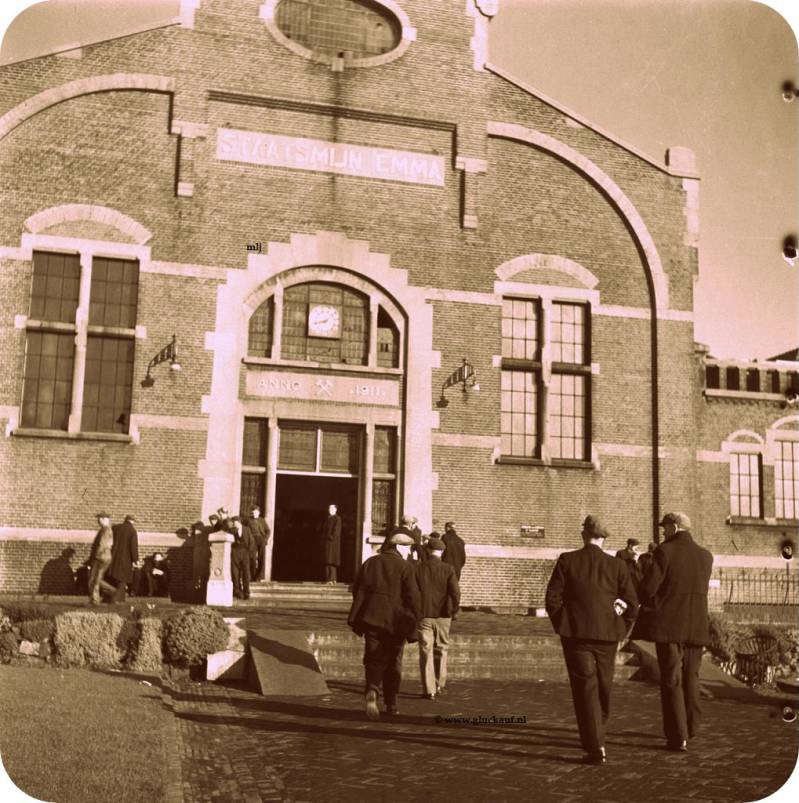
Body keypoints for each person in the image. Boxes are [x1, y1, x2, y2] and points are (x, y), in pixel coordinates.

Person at [545, 515, 638, 765]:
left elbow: (552, 599)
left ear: (584, 534)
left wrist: (564, 624)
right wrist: (621, 627)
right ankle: (598, 733)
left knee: (585, 687)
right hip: (608, 635)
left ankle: (594, 744)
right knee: (603, 685)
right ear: (604, 538)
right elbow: (632, 603)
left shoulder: (568, 560)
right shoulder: (617, 566)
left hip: (576, 636)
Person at [632, 512, 713, 753]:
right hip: (696, 626)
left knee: (671, 679)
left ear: (675, 528)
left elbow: (648, 588)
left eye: (665, 528)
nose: (663, 532)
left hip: (669, 626)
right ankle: (691, 726)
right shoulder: (705, 556)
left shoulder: (665, 552)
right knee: (691, 677)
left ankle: (677, 736)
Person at [347, 530, 421, 720]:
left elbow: (357, 589)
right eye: (408, 548)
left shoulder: (370, 563)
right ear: (398, 547)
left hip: (372, 620)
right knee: (393, 662)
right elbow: (413, 597)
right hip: (395, 623)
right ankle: (391, 703)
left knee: (373, 658)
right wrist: (415, 618)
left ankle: (372, 688)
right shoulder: (405, 568)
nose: (410, 552)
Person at [415, 535, 460, 699]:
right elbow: (455, 592)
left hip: (424, 614)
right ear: (441, 552)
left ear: (428, 551)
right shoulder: (448, 569)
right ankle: (440, 684)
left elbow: (413, 592)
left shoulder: (418, 568)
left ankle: (429, 689)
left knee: (425, 650)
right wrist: (453, 610)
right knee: (442, 648)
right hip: (443, 615)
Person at [107, 514, 139, 603]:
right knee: (122, 579)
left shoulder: (116, 528)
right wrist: (135, 560)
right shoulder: (132, 530)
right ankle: (120, 598)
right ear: (132, 521)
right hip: (126, 558)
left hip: (113, 556)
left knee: (113, 577)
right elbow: (133, 547)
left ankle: (110, 597)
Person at [87, 512, 115, 604]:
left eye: (99, 519)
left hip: (101, 557)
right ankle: (112, 591)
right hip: (105, 557)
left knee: (93, 579)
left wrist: (95, 556)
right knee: (96, 578)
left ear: (104, 519)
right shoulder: (106, 530)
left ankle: (95, 600)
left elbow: (102, 545)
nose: (98, 521)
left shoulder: (105, 530)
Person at [245, 505, 270, 581]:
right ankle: (252, 576)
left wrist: (265, 539)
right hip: (252, 540)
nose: (254, 513)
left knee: (261, 557)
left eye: (256, 512)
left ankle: (259, 576)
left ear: (258, 513)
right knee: (252, 558)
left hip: (261, 539)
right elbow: (244, 530)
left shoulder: (262, 520)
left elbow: (268, 530)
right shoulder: (247, 520)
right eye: (253, 512)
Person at [229, 516, 252, 600]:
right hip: (235, 554)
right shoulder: (231, 531)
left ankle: (247, 592)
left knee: (246, 574)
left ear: (239, 522)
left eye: (235, 523)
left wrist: (249, 554)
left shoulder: (247, 529)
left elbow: (251, 542)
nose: (234, 525)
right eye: (233, 523)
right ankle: (238, 592)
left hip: (245, 553)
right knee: (235, 574)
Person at [321, 504, 342, 584]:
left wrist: (330, 536)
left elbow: (336, 531)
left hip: (333, 544)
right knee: (327, 561)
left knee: (331, 561)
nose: (330, 509)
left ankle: (332, 579)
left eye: (332, 508)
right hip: (327, 543)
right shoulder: (328, 519)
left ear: (336, 509)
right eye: (329, 508)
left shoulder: (337, 518)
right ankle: (329, 579)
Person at [191, 520, 211, 599]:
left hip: (204, 558)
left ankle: (202, 594)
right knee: (198, 576)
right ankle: (198, 594)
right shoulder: (196, 537)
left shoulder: (205, 536)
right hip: (198, 558)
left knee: (204, 576)